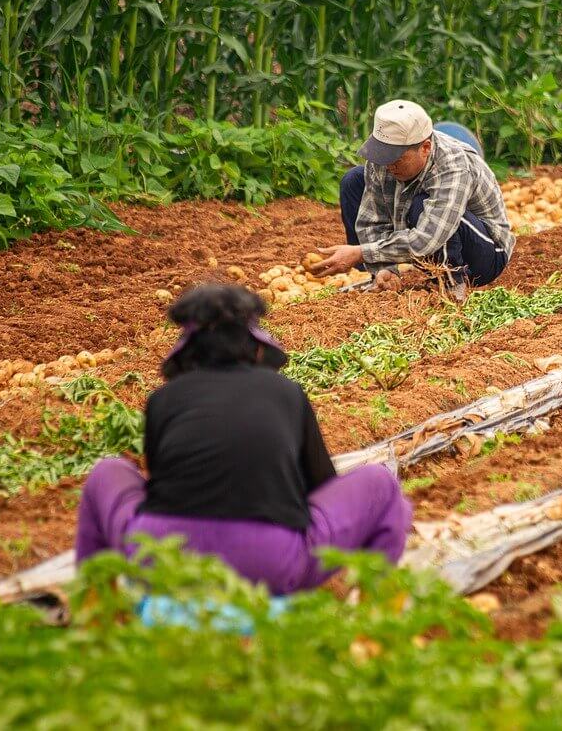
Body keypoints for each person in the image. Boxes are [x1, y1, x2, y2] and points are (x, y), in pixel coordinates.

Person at [74, 283, 412, 595]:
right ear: (257, 350)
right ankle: (373, 616)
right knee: (380, 482)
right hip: (270, 564)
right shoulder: (286, 393)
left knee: (107, 471)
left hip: (163, 559)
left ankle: (97, 614)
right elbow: (320, 484)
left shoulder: (163, 399)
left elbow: (159, 485)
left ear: (187, 354)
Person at [312, 100, 514, 301]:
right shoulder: (383, 162)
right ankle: (382, 276)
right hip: (428, 253)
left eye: (396, 158)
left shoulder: (453, 166)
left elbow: (428, 239)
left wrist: (360, 253)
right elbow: (373, 220)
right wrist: (385, 267)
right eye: (384, 154)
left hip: (484, 256)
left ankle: (454, 285)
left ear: (425, 148)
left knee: (421, 205)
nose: (388, 165)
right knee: (354, 180)